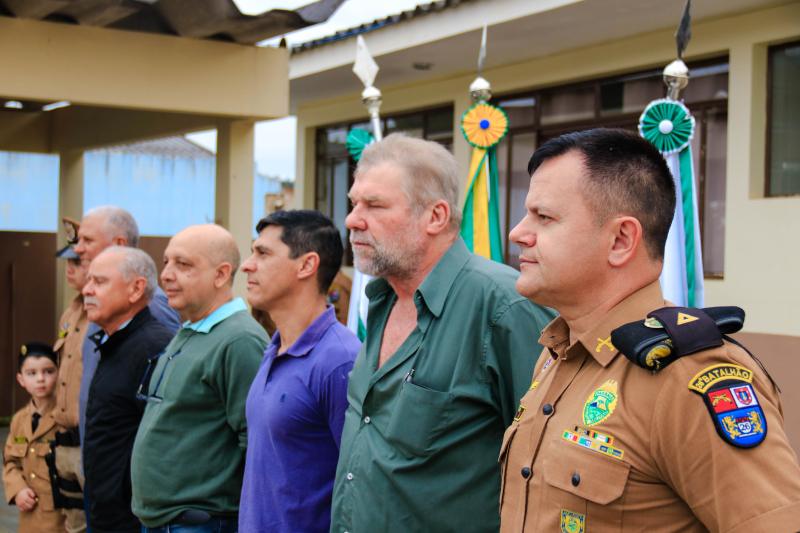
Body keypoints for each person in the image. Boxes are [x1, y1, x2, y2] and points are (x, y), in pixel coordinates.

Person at [499, 128, 800, 532]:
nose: (518, 232)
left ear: (621, 240)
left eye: (544, 217)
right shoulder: (559, 351)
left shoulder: (688, 377)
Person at [330, 133, 557, 533]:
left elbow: (546, 466)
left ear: (435, 217)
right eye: (353, 204)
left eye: (375, 205)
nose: (352, 219)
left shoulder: (505, 308)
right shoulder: (382, 298)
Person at [131, 224, 270, 532]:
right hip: (167, 522)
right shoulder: (191, 328)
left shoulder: (239, 340)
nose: (166, 274)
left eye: (183, 264)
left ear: (221, 275)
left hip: (200, 524)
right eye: (166, 261)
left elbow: (256, 443)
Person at [239, 210, 361, 533]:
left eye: (262, 253)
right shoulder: (275, 346)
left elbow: (362, 485)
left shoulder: (340, 361)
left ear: (307, 265)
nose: (246, 265)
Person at [81, 247, 173, 533]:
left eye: (99, 282)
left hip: (131, 520)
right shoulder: (115, 341)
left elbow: (164, 443)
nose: (86, 290)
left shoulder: (152, 347)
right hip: (105, 511)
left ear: (136, 289)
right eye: (88, 280)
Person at [74, 206, 180, 451]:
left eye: (87, 240)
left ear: (119, 244)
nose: (78, 248)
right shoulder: (104, 306)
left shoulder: (151, 307)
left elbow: (161, 415)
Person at [3, 343, 67, 533]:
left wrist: (74, 514)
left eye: (48, 371)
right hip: (30, 517)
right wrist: (17, 489)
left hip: (59, 518)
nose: (40, 379)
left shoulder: (65, 418)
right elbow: (10, 462)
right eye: (32, 373)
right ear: (21, 379)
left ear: (59, 374)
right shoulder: (20, 421)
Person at [52, 218, 89, 533]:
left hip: (90, 445)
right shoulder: (71, 311)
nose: (70, 268)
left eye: (78, 261)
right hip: (65, 445)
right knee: (73, 525)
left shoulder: (105, 311)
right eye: (69, 261)